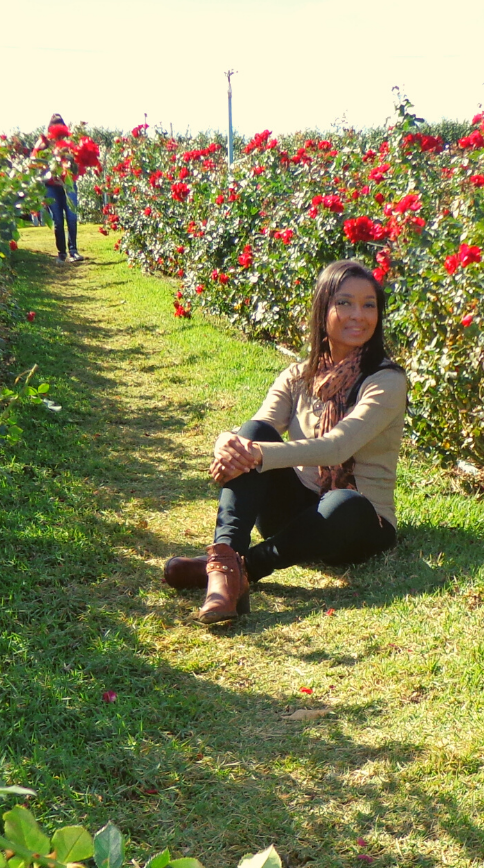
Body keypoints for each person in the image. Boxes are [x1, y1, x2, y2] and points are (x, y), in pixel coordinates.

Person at [163, 259, 407, 623]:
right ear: (323, 309)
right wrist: (227, 441)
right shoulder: (297, 376)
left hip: (358, 521)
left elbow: (339, 446)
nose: (359, 314)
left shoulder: (386, 380)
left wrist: (255, 453)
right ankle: (224, 563)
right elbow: (259, 426)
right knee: (253, 434)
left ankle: (244, 569)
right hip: (295, 511)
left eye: (369, 304)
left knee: (344, 501)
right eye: (345, 303)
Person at [41, 114, 81, 263]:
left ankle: (73, 251)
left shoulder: (69, 145)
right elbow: (36, 163)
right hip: (51, 186)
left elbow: (77, 166)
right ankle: (61, 253)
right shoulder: (45, 145)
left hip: (68, 184)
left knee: (72, 217)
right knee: (57, 220)